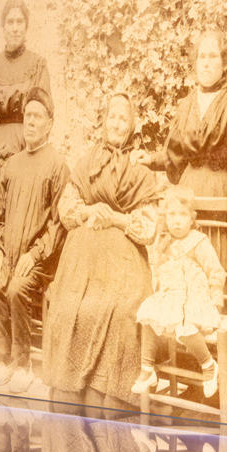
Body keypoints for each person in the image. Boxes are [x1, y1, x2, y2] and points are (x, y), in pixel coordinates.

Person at [145, 28, 227, 417]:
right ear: (194, 63)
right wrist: (146, 160)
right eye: (200, 57)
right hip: (187, 208)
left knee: (225, 288)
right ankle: (193, 375)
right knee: (185, 284)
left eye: (213, 57)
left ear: (226, 62)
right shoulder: (185, 106)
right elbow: (172, 158)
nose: (206, 63)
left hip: (225, 210)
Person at [42, 91, 164, 404]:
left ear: (132, 124)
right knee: (70, 307)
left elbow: (149, 228)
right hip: (83, 261)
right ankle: (72, 387)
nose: (117, 123)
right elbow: (67, 207)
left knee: (122, 311)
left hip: (124, 260)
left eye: (124, 118)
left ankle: (108, 389)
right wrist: (87, 212)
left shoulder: (140, 166)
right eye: (113, 116)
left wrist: (117, 219)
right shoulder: (87, 161)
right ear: (104, 120)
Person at [0, 88, 67, 389]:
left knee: (17, 289)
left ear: (49, 123)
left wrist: (35, 255)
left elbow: (58, 224)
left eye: (37, 116)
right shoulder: (11, 165)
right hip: (9, 253)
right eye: (27, 115)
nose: (30, 121)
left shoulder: (57, 166)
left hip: (40, 260)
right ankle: (3, 359)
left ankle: (22, 365)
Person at [132, 188, 227, 400]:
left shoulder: (198, 241)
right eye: (172, 215)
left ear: (192, 219)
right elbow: (157, 270)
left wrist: (217, 299)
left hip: (195, 298)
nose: (177, 221)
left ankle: (208, 365)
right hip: (171, 297)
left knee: (185, 324)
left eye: (183, 215)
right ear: (165, 218)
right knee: (147, 315)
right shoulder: (163, 242)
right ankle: (147, 369)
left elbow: (215, 271)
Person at [0, 0, 52, 191]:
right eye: (10, 22)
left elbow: (44, 119)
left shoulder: (38, 65)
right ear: (3, 27)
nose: (15, 28)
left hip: (27, 148)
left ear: (26, 27)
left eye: (19, 22)